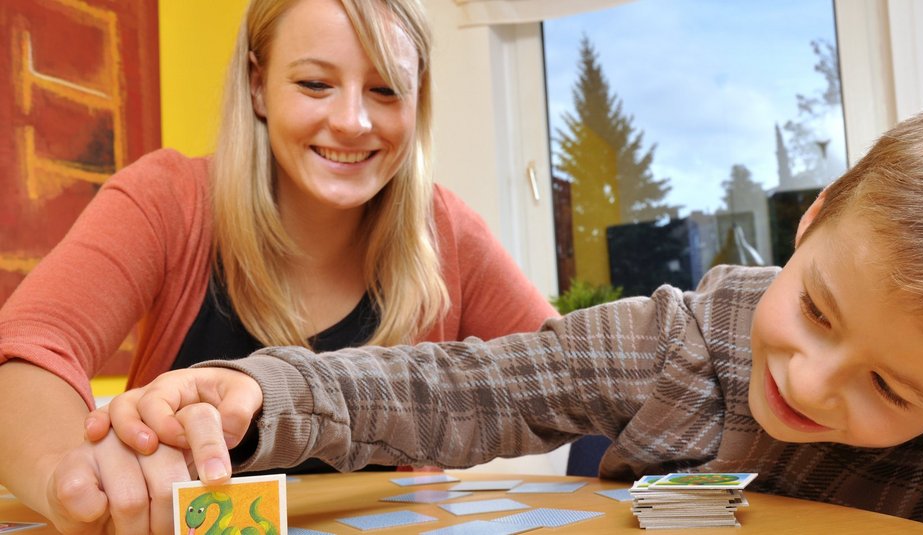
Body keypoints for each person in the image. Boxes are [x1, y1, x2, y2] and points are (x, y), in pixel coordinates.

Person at [92, 103, 923, 529]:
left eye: (889, 386)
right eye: (816, 310)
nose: (810, 379)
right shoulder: (684, 340)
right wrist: (258, 389)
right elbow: (465, 386)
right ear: (815, 213)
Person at [0, 0, 556, 533]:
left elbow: (567, 374)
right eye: (315, 83)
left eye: (386, 90)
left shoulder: (446, 232)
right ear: (258, 84)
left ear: (418, 101)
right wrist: (62, 473)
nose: (353, 121)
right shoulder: (168, 200)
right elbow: (28, 349)